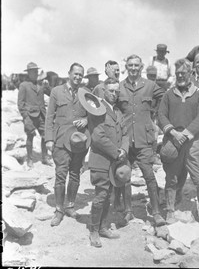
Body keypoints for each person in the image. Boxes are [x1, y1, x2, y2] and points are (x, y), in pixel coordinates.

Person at [157, 58, 199, 225]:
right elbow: (161, 115)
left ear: (191, 73)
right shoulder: (168, 94)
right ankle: (170, 211)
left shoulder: (198, 95)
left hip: (192, 142)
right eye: (178, 73)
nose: (180, 75)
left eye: (184, 73)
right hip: (173, 141)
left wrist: (187, 134)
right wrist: (173, 132)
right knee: (172, 178)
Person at [117, 54, 166, 226]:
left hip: (144, 139)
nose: (133, 68)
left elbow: (166, 98)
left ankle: (157, 213)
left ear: (141, 66)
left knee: (149, 176)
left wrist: (157, 119)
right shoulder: (119, 86)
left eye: (136, 65)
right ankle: (128, 210)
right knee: (125, 176)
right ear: (126, 66)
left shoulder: (150, 85)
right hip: (125, 139)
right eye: (130, 65)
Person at [84, 78, 129, 247]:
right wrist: (116, 152)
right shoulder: (97, 110)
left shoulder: (117, 111)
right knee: (100, 196)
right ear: (103, 90)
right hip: (101, 161)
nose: (114, 94)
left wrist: (124, 150)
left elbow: (125, 133)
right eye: (111, 91)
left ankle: (103, 226)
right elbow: (97, 137)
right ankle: (94, 231)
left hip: (115, 161)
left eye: (117, 91)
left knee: (108, 195)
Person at [45, 62, 89, 227]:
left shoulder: (85, 93)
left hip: (79, 142)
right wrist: (49, 139)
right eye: (75, 74)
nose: (78, 77)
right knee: (60, 175)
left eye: (80, 75)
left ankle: (70, 206)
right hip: (61, 141)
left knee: (75, 173)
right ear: (69, 73)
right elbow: (49, 117)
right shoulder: (56, 91)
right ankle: (58, 210)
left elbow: (93, 115)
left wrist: (85, 120)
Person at [18, 62, 52, 168]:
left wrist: (47, 87)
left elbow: (51, 94)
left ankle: (45, 158)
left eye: (36, 71)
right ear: (28, 73)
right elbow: (20, 103)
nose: (36, 73)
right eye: (33, 72)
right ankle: (30, 160)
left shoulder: (40, 85)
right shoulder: (23, 85)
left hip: (41, 115)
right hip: (30, 116)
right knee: (30, 136)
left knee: (45, 136)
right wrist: (25, 117)